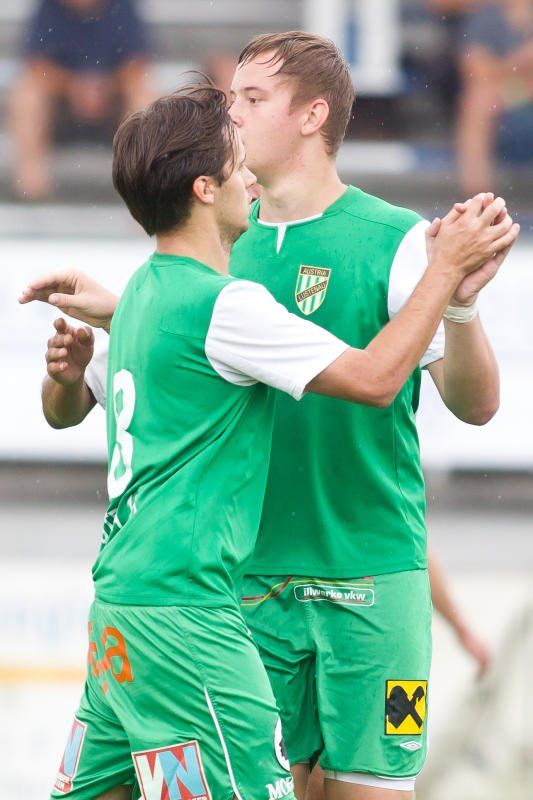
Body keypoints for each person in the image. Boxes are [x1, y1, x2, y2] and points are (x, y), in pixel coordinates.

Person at [21, 32, 519, 800]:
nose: (235, 117)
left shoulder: (394, 241)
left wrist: (454, 303)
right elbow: (239, 345)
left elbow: (477, 404)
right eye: (231, 103)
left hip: (370, 580)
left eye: (251, 99)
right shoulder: (221, 255)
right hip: (238, 592)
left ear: (312, 115)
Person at [8, 0, 153, 200]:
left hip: (115, 111)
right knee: (27, 94)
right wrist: (73, 87)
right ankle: (32, 185)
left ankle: (141, 180)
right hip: (60, 110)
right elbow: (35, 64)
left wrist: (105, 88)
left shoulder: (122, 6)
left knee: (144, 95)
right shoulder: (49, 8)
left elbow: (138, 64)